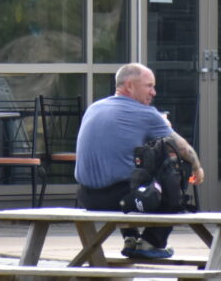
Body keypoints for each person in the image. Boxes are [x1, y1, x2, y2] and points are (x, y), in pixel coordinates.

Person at [74, 63, 205, 260]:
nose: (154, 92)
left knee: (134, 168)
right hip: (121, 200)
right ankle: (153, 242)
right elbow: (183, 148)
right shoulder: (147, 114)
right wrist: (197, 167)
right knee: (175, 165)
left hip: (86, 197)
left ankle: (131, 238)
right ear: (129, 85)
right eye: (149, 86)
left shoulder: (94, 107)